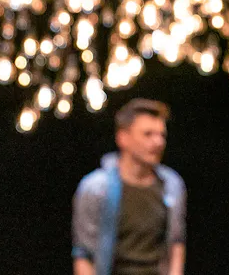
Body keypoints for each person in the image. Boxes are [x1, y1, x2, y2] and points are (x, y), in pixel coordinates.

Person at [72, 99, 186, 275]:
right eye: (148, 134)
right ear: (123, 138)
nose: (158, 142)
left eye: (162, 135)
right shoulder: (95, 188)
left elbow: (176, 242)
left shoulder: (171, 185)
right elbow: (84, 254)